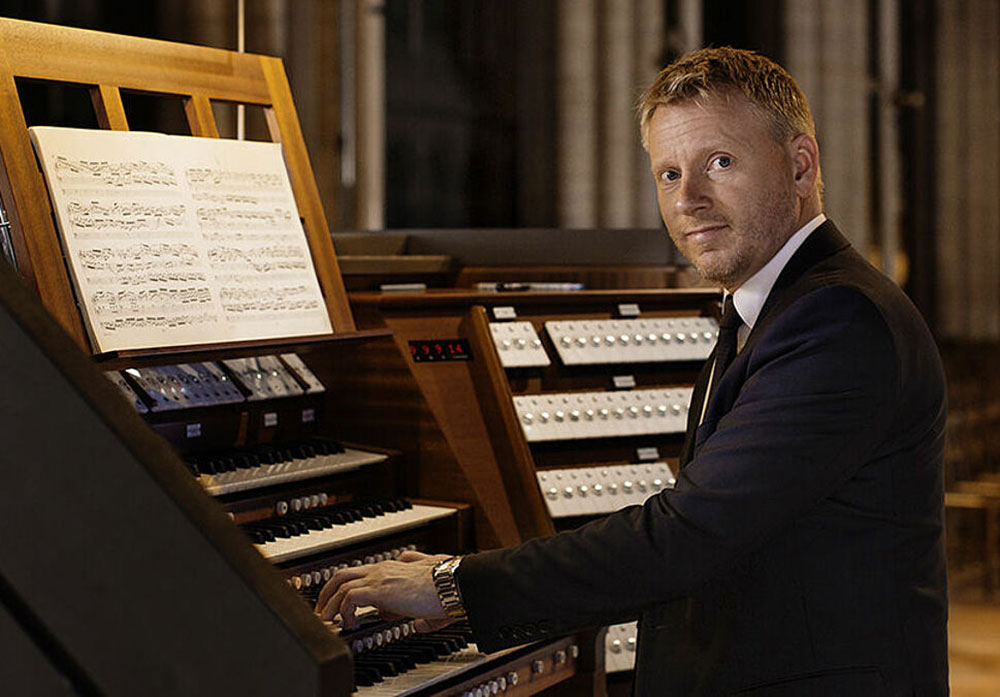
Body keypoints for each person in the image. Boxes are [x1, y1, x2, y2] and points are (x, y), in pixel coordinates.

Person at [316, 47, 948, 696]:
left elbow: (686, 538)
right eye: (669, 174)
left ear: (799, 164)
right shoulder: (770, 307)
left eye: (719, 163)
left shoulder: (838, 319)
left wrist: (452, 584)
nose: (690, 198)